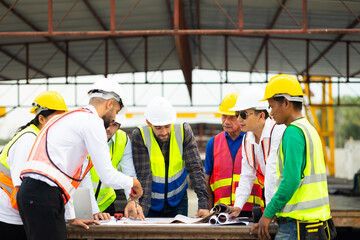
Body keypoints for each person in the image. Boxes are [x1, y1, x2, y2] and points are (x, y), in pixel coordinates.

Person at [17, 78, 143, 240]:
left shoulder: (68, 118)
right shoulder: (93, 122)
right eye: (116, 112)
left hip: (31, 194)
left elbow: (66, 175)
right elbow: (107, 175)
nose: (113, 118)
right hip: (44, 195)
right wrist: (134, 183)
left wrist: (70, 216)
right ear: (109, 104)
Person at [250, 74, 335, 240]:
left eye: (272, 106)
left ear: (286, 103)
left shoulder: (292, 132)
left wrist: (268, 213)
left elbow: (291, 181)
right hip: (316, 224)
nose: (270, 112)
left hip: (297, 228)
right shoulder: (308, 129)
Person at [0, 91, 68, 240]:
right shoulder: (28, 141)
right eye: (55, 119)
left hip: (21, 215)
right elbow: (21, 189)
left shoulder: (40, 140)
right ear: (41, 118)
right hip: (9, 217)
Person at [132, 96, 209, 218]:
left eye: (167, 126)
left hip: (178, 201)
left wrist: (203, 205)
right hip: (150, 202)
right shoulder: (140, 135)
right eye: (158, 127)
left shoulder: (183, 131)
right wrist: (143, 212)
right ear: (148, 122)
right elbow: (143, 175)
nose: (163, 132)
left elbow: (195, 168)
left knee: (178, 236)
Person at [229, 85, 286, 218]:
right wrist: (238, 206)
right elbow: (247, 176)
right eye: (237, 114)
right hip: (276, 204)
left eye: (243, 115)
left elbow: (273, 174)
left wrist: (269, 213)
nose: (238, 119)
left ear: (261, 115)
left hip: (289, 203)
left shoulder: (278, 131)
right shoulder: (247, 140)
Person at [205, 92, 263, 217]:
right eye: (224, 117)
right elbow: (207, 182)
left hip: (252, 210)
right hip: (220, 211)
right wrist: (208, 211)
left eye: (232, 117)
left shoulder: (254, 140)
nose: (226, 121)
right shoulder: (213, 143)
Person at [89, 113, 144, 219]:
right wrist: (94, 209)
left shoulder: (122, 139)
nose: (108, 128)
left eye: (114, 125)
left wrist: (132, 200)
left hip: (106, 204)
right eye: (106, 123)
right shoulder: (86, 136)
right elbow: (83, 180)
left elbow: (129, 173)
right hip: (79, 204)